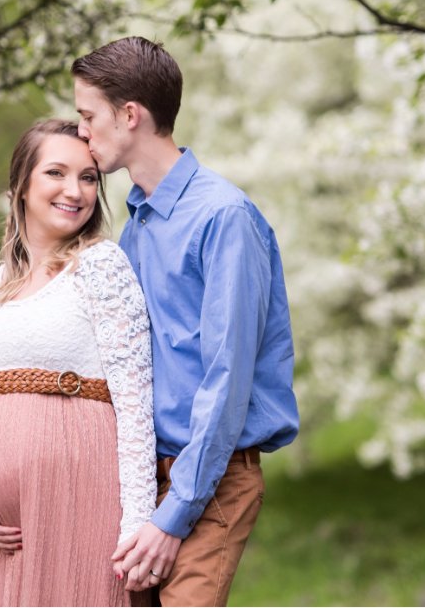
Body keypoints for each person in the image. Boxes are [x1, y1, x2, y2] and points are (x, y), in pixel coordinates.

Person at [72, 37, 300, 607]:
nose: (82, 131)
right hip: (145, 477)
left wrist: (175, 514)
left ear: (130, 115)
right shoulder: (138, 225)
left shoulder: (223, 217)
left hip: (211, 480)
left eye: (88, 116)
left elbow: (227, 379)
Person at [0, 118, 158, 607]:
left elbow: (135, 402)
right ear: (21, 185)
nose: (75, 190)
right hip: (4, 534)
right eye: (56, 173)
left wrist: (136, 522)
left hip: (81, 497)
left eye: (87, 178)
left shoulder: (101, 266)